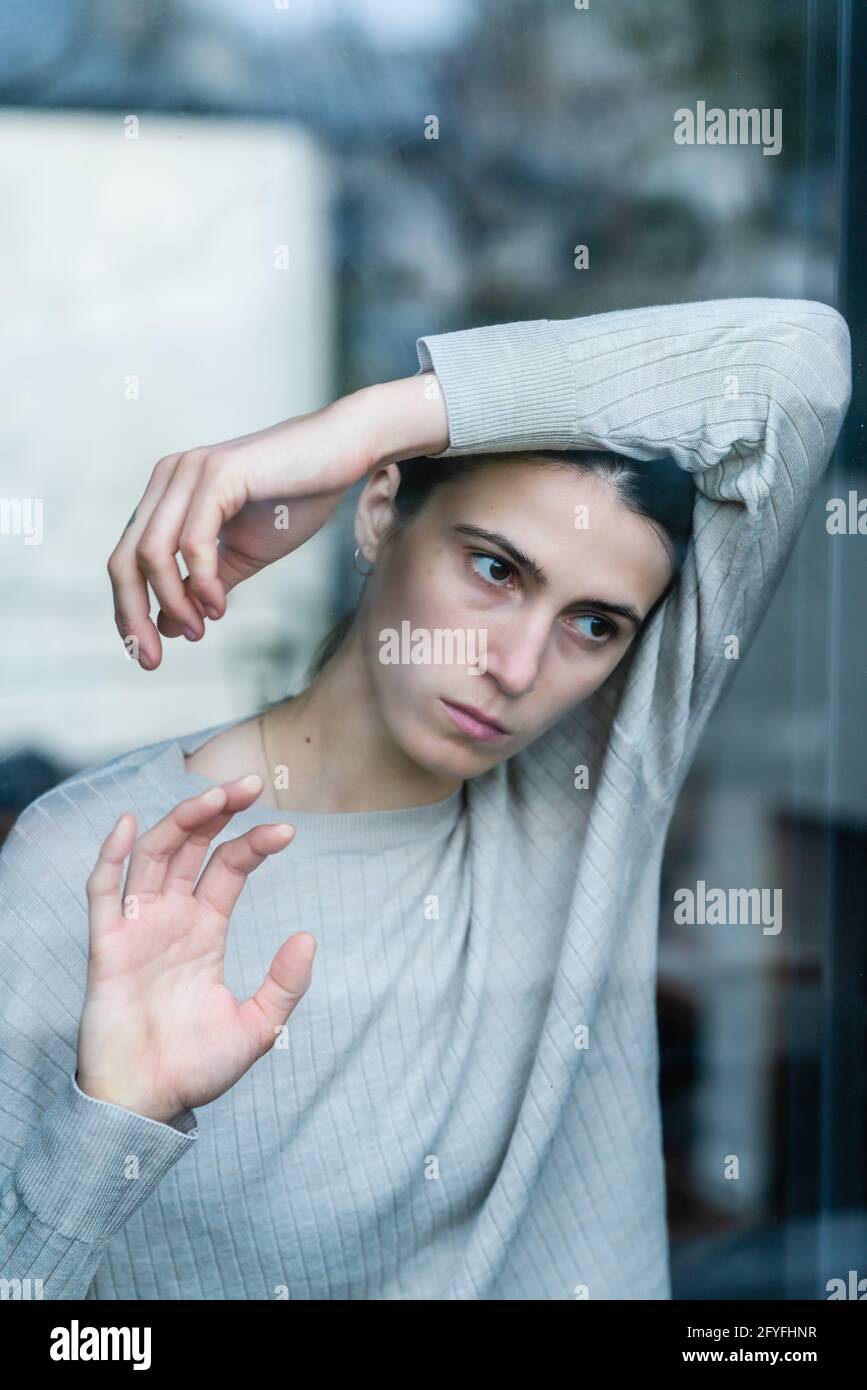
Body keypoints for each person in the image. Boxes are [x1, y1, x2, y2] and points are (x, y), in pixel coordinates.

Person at [0, 298, 851, 1300]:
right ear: (378, 511)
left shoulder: (587, 795)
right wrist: (115, 1127)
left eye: (593, 625)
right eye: (494, 569)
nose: (518, 664)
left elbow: (800, 367)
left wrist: (357, 425)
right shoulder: (87, 864)